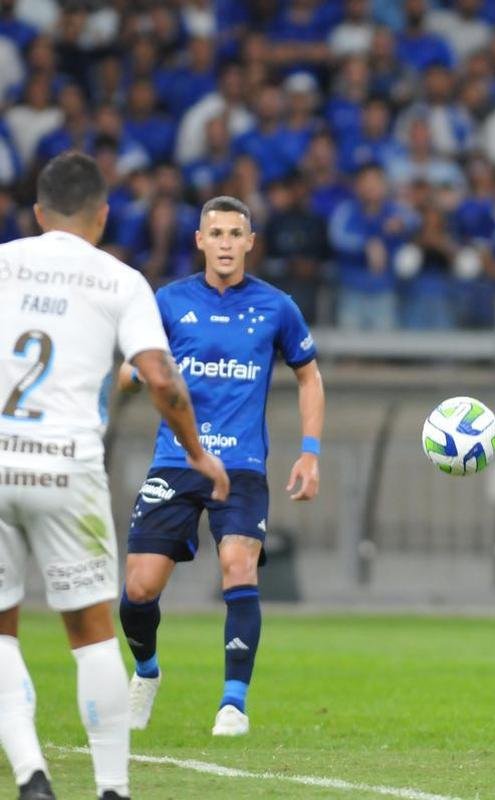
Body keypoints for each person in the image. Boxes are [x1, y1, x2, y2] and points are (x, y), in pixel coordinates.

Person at [0, 152, 228, 800]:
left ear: (37, 213)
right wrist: (196, 451)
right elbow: (160, 377)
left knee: (1, 628)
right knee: (90, 634)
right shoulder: (120, 280)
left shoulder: (3, 263)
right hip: (67, 465)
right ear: (101, 216)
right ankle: (112, 790)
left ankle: (32, 777)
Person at [116, 195, 324, 737]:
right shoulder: (168, 301)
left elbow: (309, 375)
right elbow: (131, 367)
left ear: (251, 243)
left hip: (243, 465)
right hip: (177, 460)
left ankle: (233, 703)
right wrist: (134, 374)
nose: (227, 244)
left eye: (237, 234)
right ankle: (146, 671)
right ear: (200, 241)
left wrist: (310, 451)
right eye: (218, 234)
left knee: (239, 566)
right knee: (139, 589)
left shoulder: (277, 306)